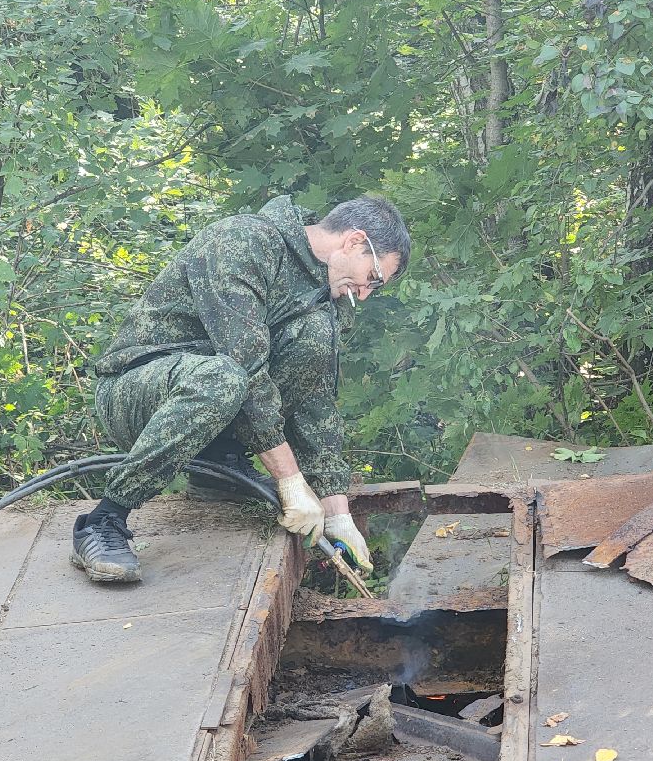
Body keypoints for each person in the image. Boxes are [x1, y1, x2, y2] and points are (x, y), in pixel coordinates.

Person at [72, 192, 411, 583]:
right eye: (373, 278)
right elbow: (245, 368)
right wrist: (290, 479)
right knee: (224, 377)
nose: (365, 293)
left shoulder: (321, 296)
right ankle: (102, 521)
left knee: (313, 336)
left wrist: (338, 514)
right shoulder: (241, 242)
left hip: (214, 402)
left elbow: (315, 401)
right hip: (137, 394)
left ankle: (219, 470)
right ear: (354, 241)